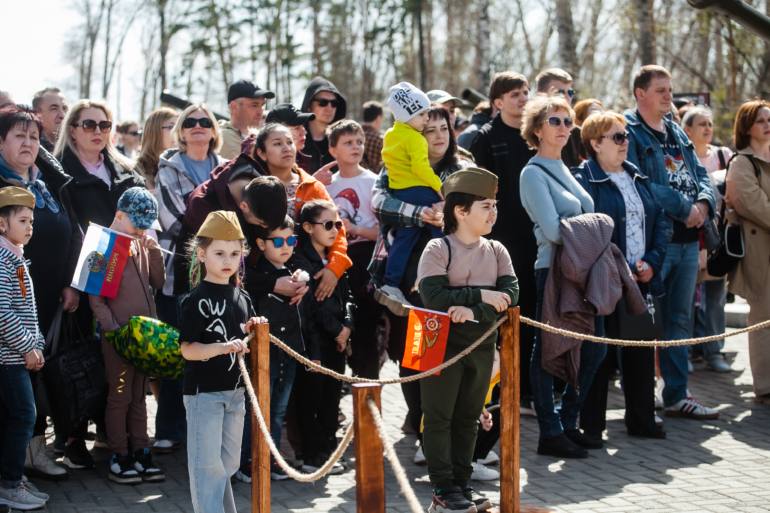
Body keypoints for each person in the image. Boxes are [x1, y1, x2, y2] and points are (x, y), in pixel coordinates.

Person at [370, 105, 470, 461]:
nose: (439, 135)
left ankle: (454, 434)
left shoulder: (462, 168)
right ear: (417, 134)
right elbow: (378, 201)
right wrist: (419, 213)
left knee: (457, 354)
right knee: (419, 354)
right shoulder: (396, 165)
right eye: (431, 130)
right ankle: (424, 429)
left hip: (459, 275)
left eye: (445, 128)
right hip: (411, 277)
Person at [418, 167, 518, 513]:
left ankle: (462, 482)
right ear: (461, 211)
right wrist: (481, 295)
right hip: (438, 344)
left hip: (479, 343)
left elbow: (510, 294)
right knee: (438, 416)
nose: (493, 212)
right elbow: (433, 295)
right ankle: (443, 487)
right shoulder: (438, 247)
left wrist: (474, 309)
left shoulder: (497, 250)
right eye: (485, 206)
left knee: (468, 417)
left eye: (494, 205)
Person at [54, 98, 145, 468]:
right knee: (78, 359)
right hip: (82, 276)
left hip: (125, 281)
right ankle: (72, 436)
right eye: (88, 124)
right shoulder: (59, 174)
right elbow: (64, 231)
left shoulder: (126, 171)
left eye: (104, 125)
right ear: (72, 129)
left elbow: (144, 221)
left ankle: (114, 434)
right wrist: (72, 283)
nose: (97, 132)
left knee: (118, 356)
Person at [624, 65, 718, 419]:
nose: (669, 95)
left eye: (670, 88)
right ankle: (639, 401)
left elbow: (700, 175)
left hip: (689, 242)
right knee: (645, 322)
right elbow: (641, 182)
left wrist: (704, 204)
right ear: (640, 93)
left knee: (680, 320)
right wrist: (685, 208)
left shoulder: (677, 131)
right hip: (655, 243)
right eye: (661, 89)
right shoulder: (628, 132)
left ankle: (677, 395)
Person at [572, 111, 668, 440]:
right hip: (603, 281)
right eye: (617, 137)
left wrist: (652, 261)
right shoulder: (583, 179)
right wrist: (615, 267)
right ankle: (592, 428)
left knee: (640, 350)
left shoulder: (636, 175)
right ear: (596, 143)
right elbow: (582, 232)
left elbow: (660, 223)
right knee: (597, 353)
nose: (625, 142)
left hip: (641, 279)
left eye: (625, 135)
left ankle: (642, 420)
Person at [0, 105, 79, 482]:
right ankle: (11, 471)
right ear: (0, 142)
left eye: (34, 136)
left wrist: (68, 281)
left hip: (47, 298)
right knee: (14, 390)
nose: (29, 142)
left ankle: (32, 454)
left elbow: (70, 231)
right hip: (8, 309)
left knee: (36, 380)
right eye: (19, 135)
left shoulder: (45, 182)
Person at [519, 94, 597, 459]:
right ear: (537, 128)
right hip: (552, 269)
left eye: (568, 121)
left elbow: (574, 220)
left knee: (595, 347)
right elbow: (551, 230)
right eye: (555, 121)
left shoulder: (567, 166)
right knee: (545, 351)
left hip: (581, 268)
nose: (564, 128)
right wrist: (597, 231)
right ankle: (549, 432)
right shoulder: (532, 172)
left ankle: (567, 422)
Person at [179, 210, 266, 513]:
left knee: (227, 462)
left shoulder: (242, 297)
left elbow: (244, 337)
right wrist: (222, 347)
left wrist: (255, 328)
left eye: (233, 253)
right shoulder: (195, 299)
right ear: (201, 255)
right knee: (206, 466)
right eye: (219, 253)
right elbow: (188, 350)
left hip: (236, 393)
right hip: (205, 393)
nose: (227, 260)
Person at [153, 103, 226, 454]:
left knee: (213, 353)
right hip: (178, 273)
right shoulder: (167, 168)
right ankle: (169, 428)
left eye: (205, 122)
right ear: (181, 131)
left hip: (222, 274)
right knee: (179, 353)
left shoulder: (226, 168)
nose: (198, 127)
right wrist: (216, 231)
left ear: (214, 131)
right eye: (190, 122)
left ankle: (207, 432)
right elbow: (171, 218)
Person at [470, 71, 538, 416]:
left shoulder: (535, 136)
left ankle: (526, 392)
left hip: (536, 240)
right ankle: (496, 395)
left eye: (526, 92)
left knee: (532, 317)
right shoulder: (485, 138)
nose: (523, 98)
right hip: (501, 244)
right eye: (515, 94)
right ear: (498, 102)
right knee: (503, 319)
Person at [88, 188, 165, 484]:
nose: (142, 230)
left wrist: (154, 250)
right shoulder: (102, 246)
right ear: (119, 216)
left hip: (144, 336)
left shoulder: (142, 243)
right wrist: (116, 332)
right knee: (119, 396)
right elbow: (96, 300)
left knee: (139, 397)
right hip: (119, 338)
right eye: (137, 224)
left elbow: (158, 281)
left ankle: (141, 451)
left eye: (146, 225)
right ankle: (119, 455)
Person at [253, 215, 321, 480]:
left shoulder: (297, 274)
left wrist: (313, 355)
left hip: (290, 355)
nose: (285, 245)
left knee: (279, 409)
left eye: (291, 240)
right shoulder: (256, 276)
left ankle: (272, 458)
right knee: (260, 408)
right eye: (278, 240)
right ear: (260, 243)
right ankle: (254, 460)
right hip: (264, 355)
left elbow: (307, 319)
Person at [294, 200, 354, 474]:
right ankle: (311, 455)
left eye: (338, 224)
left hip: (337, 341)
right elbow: (310, 304)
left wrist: (348, 327)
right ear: (307, 227)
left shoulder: (335, 258)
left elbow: (350, 297)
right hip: (313, 341)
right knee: (311, 398)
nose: (335, 230)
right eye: (328, 224)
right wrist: (337, 329)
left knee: (332, 398)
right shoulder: (298, 259)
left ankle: (329, 451)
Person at [0, 187, 49, 511]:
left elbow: (28, 312)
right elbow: (2, 312)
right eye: (22, 220)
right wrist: (28, 348)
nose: (30, 226)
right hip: (8, 358)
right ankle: (9, 483)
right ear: (2, 224)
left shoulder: (15, 255)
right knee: (23, 416)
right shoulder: (3, 259)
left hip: (21, 354)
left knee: (16, 416)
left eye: (31, 220)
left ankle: (11, 478)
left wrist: (38, 346)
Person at [376, 82, 442, 313]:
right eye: (423, 114)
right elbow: (421, 169)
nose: (426, 119)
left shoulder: (391, 134)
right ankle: (448, 273)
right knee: (441, 232)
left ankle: (391, 283)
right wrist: (439, 187)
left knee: (405, 238)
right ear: (409, 113)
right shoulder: (416, 138)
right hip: (418, 190)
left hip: (399, 192)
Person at [325, 119, 381, 379]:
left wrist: (354, 229)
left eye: (359, 141)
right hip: (335, 262)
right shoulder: (326, 185)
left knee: (366, 335)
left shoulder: (374, 182)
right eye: (348, 142)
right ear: (333, 150)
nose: (356, 146)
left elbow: (386, 232)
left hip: (366, 260)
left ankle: (370, 408)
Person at [681, 106, 733, 373]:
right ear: (686, 129)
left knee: (715, 298)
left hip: (717, 239)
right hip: (690, 236)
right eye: (701, 123)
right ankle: (686, 353)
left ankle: (715, 352)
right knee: (686, 299)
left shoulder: (725, 156)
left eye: (710, 123)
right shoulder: (679, 158)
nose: (708, 128)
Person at [725, 99, 770, 404]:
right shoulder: (741, 162)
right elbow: (753, 205)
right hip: (760, 254)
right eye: (761, 120)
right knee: (764, 319)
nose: (768, 125)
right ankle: (766, 387)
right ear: (747, 127)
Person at [535, 68, 584, 167]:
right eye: (560, 92)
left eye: (570, 92)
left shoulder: (578, 134)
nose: (567, 97)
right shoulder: (530, 131)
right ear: (541, 95)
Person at [300, 77, 348, 176]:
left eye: (334, 103)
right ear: (308, 106)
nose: (329, 108)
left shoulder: (342, 142)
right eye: (322, 102)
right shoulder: (296, 142)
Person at [219, 79, 275, 160]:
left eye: (262, 105)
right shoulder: (224, 136)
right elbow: (252, 170)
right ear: (234, 107)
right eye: (254, 105)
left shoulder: (258, 136)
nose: (260, 111)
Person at [134, 107, 179, 195]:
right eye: (171, 127)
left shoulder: (182, 167)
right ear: (154, 131)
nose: (177, 133)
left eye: (179, 128)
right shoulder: (133, 169)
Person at [263, 103, 316, 172]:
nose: (304, 132)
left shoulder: (303, 160)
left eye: (303, 126)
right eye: (296, 128)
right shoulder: (259, 167)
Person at [31, 88, 68, 153]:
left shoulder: (76, 149)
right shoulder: (31, 150)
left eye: (65, 108)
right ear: (37, 115)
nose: (63, 115)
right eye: (54, 109)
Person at [360, 101, 384, 173]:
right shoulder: (381, 140)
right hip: (375, 181)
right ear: (378, 118)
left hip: (353, 180)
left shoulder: (352, 136)